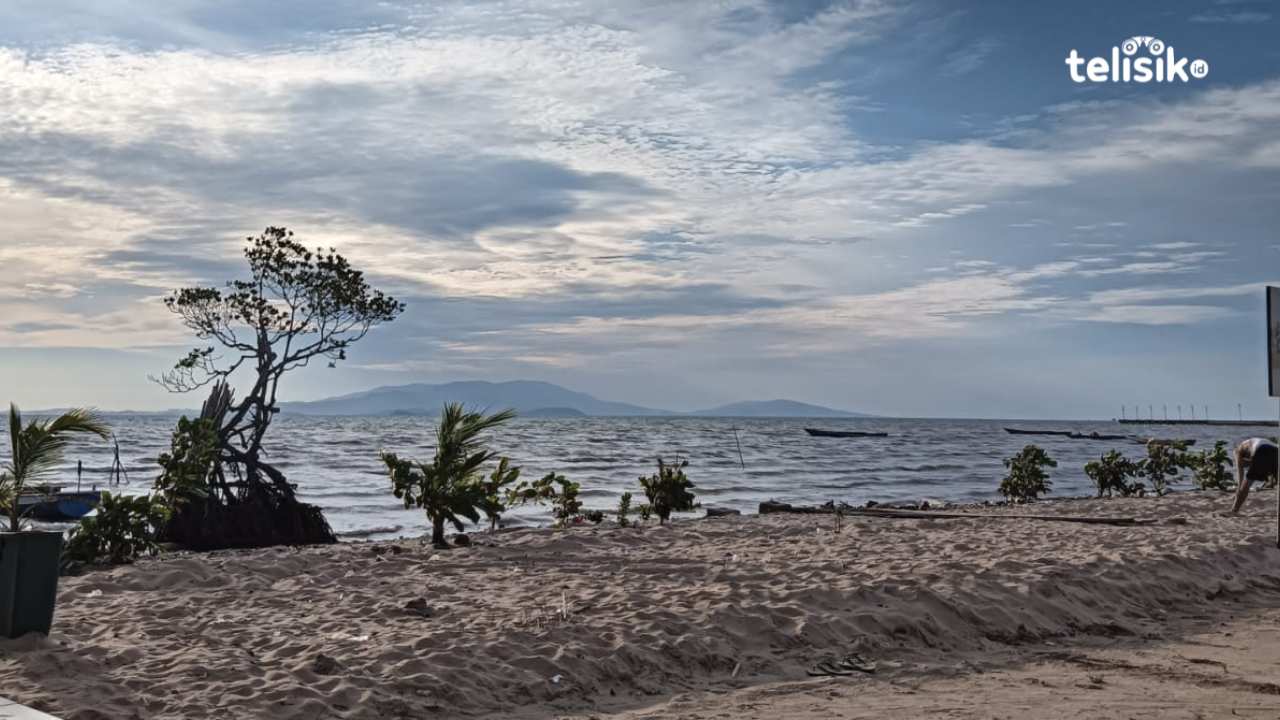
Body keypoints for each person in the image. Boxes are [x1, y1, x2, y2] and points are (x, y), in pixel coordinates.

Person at [1230, 437, 1278, 514]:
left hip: (1262, 450)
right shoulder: (1251, 443)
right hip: (1276, 451)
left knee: (1246, 483)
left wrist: (1239, 488)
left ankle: (1234, 510)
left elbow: (1240, 471)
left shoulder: (1238, 450)